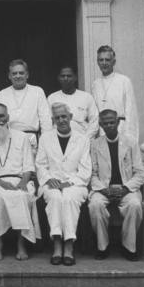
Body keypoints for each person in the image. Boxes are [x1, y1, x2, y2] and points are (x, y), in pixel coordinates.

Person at [36, 102, 91, 266]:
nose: (61, 120)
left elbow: (85, 168)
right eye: (57, 118)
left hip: (75, 182)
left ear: (71, 117)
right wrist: (47, 179)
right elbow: (40, 164)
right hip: (52, 181)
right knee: (55, 199)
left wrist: (69, 183)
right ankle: (57, 244)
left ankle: (69, 245)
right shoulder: (45, 138)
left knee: (69, 199)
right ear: (53, 120)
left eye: (64, 117)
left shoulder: (82, 139)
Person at [0, 103, 40, 261]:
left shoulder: (22, 137)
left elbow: (28, 166)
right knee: (1, 198)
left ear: (8, 117)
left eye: (1, 116)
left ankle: (21, 244)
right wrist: (2, 184)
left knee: (21, 197)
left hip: (20, 180)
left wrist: (22, 183)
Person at [88, 109, 144, 261]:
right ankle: (102, 246)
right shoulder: (95, 144)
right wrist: (103, 190)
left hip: (126, 188)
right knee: (95, 205)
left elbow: (139, 172)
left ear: (118, 122)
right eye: (105, 123)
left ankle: (129, 247)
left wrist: (126, 189)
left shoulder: (130, 142)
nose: (109, 126)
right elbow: (92, 173)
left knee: (134, 204)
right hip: (103, 188)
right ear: (101, 125)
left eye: (112, 122)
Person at [0, 59, 52, 153]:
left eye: (21, 73)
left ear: (27, 75)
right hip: (9, 141)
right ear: (9, 76)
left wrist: (46, 144)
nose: (18, 76)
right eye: (14, 73)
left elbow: (45, 120)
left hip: (31, 141)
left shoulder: (37, 92)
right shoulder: (2, 94)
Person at [91, 45, 139, 140]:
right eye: (101, 60)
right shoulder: (95, 84)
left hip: (121, 130)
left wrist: (130, 138)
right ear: (97, 62)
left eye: (107, 60)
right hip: (102, 131)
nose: (104, 63)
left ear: (114, 62)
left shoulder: (124, 81)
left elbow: (130, 112)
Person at [48, 66, 99, 139]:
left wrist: (86, 139)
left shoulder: (86, 97)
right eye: (63, 76)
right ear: (59, 78)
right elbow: (48, 123)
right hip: (58, 138)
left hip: (82, 137)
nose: (66, 78)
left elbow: (94, 121)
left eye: (69, 76)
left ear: (75, 77)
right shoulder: (52, 98)